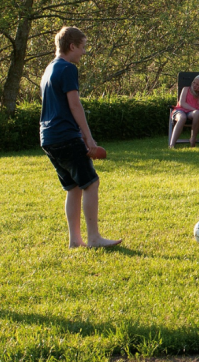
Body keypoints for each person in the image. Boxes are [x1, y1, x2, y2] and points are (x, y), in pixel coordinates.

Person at [40, 26, 121, 248]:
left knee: (73, 187)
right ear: (72, 46)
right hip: (65, 135)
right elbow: (74, 105)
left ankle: (75, 241)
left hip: (48, 138)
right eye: (82, 47)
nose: (83, 52)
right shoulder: (67, 68)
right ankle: (94, 238)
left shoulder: (49, 69)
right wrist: (89, 138)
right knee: (91, 183)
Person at [169, 74, 199, 149]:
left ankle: (193, 139)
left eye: (197, 84)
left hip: (191, 113)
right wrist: (194, 109)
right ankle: (172, 145)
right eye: (194, 82)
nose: (194, 85)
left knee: (198, 113)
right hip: (180, 110)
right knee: (182, 117)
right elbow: (182, 103)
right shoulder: (186, 89)